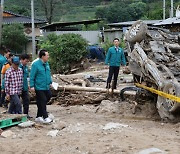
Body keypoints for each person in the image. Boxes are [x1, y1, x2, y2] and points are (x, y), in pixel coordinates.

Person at [30, 49, 52, 123]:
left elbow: (48, 74)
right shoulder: (35, 64)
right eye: (47, 55)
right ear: (42, 56)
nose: (48, 56)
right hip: (39, 86)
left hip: (46, 86)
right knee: (43, 100)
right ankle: (45, 117)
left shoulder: (46, 64)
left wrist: (50, 82)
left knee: (48, 96)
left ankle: (38, 116)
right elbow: (32, 76)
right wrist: (32, 85)